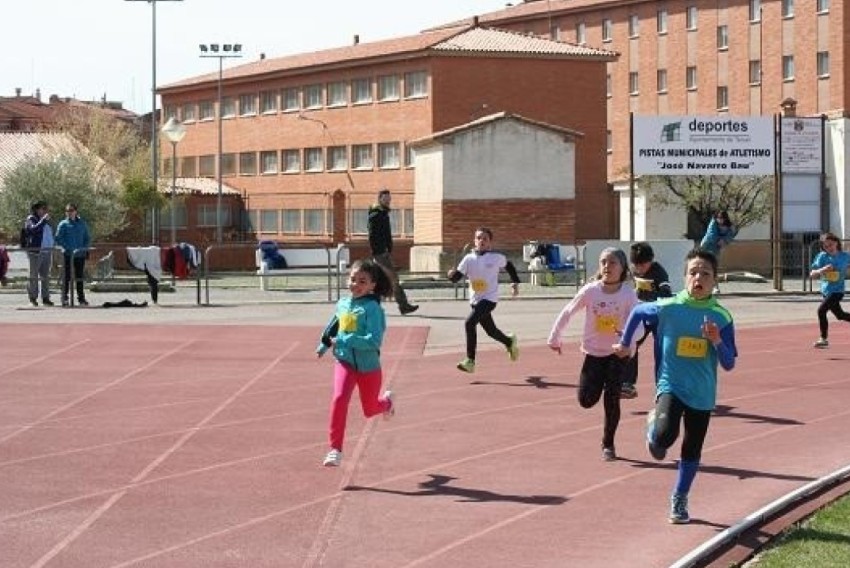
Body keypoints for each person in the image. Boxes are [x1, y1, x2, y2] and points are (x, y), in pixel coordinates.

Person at [613, 249, 738, 524]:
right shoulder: (668, 307)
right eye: (693, 272)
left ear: (715, 280)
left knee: (691, 449)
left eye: (705, 273)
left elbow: (729, 363)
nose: (698, 278)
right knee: (664, 438)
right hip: (671, 385)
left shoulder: (722, 317)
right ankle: (653, 428)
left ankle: (679, 499)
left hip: (702, 393)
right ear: (684, 277)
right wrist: (625, 344)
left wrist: (716, 340)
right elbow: (636, 312)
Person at [547, 247, 638, 462]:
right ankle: (596, 393)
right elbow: (568, 311)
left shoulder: (628, 293)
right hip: (594, 352)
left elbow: (639, 320)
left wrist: (628, 340)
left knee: (612, 399)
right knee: (586, 400)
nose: (607, 266)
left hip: (617, 354)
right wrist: (555, 337)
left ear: (623, 267)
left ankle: (608, 443)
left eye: (613, 262)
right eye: (603, 262)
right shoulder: (591, 291)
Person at [316, 258, 396, 467]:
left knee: (370, 410)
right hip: (344, 360)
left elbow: (374, 341)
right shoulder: (342, 303)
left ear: (372, 285)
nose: (356, 285)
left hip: (368, 366)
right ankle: (335, 449)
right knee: (339, 398)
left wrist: (345, 339)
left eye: (362, 281)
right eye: (353, 279)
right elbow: (334, 326)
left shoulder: (373, 309)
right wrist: (324, 344)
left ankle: (386, 403)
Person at [448, 227, 520, 374]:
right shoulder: (468, 259)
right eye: (478, 238)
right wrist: (450, 274)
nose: (481, 241)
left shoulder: (495, 258)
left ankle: (470, 361)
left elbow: (510, 266)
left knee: (469, 323)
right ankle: (509, 341)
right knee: (491, 332)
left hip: (489, 299)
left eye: (485, 238)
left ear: (490, 243)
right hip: (475, 301)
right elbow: (456, 278)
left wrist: (514, 283)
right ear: (474, 241)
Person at [621, 242, 673, 399]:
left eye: (642, 265)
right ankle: (628, 383)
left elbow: (667, 294)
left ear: (651, 260)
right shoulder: (633, 270)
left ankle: (662, 387)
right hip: (641, 314)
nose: (639, 269)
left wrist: (658, 294)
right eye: (636, 265)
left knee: (660, 351)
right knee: (632, 344)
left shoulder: (659, 272)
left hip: (658, 315)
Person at [367, 189, 418, 315]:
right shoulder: (376, 215)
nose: (388, 200)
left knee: (381, 280)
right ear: (380, 199)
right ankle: (403, 305)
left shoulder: (383, 213)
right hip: (380, 253)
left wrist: (388, 248)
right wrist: (378, 250)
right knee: (393, 279)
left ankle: (372, 306)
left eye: (389, 198)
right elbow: (372, 235)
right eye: (385, 198)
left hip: (384, 252)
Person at [809, 231, 850, 348]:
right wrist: (822, 270)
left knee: (821, 310)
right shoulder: (822, 256)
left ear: (836, 243)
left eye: (831, 244)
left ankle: (823, 339)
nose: (829, 248)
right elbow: (812, 274)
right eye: (826, 246)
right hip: (826, 291)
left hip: (838, 291)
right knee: (840, 315)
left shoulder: (845, 256)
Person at [55, 203, 92, 307]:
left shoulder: (82, 223)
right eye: (67, 211)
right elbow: (58, 238)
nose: (69, 213)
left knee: (79, 277)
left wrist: (84, 248)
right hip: (67, 255)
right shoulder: (63, 224)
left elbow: (87, 237)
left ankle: (81, 299)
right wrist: (68, 248)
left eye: (71, 210)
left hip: (80, 255)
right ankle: (65, 298)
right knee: (66, 277)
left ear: (76, 211)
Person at [23, 201, 55, 307]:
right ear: (37, 209)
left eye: (46, 208)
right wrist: (43, 221)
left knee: (45, 276)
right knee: (33, 276)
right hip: (36, 252)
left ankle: (46, 298)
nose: (45, 210)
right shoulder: (31, 219)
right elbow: (32, 230)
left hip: (47, 251)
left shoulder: (46, 221)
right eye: (43, 208)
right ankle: (33, 298)